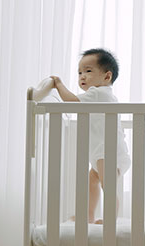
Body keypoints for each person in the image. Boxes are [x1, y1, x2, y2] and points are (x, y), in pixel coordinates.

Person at [34, 48, 131, 224]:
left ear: (107, 77)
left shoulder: (98, 93)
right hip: (102, 151)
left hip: (107, 151)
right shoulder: (102, 96)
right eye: (79, 72)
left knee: (106, 185)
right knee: (92, 181)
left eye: (88, 71)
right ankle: (88, 215)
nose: (82, 77)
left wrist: (58, 84)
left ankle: (110, 219)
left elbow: (71, 102)